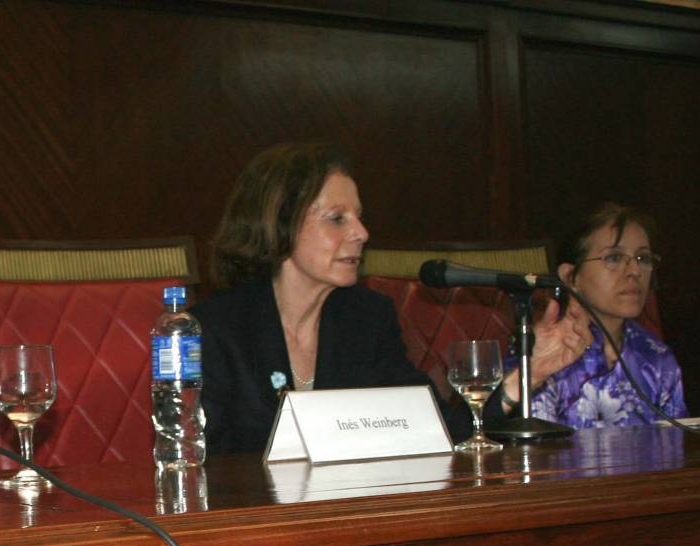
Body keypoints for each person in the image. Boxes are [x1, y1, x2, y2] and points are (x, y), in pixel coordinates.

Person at [193, 142, 592, 454]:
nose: (362, 232)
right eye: (337, 218)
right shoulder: (214, 329)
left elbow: (435, 429)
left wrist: (529, 374)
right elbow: (204, 461)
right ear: (279, 224)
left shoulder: (366, 318)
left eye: (360, 216)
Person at [494, 203, 685, 428]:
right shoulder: (544, 351)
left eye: (643, 258)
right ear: (570, 276)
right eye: (614, 258)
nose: (635, 271)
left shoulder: (657, 357)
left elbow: (675, 449)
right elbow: (537, 452)